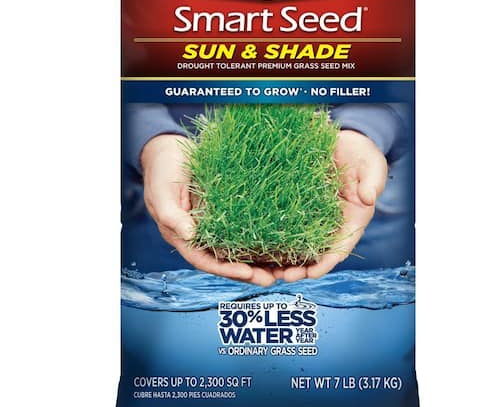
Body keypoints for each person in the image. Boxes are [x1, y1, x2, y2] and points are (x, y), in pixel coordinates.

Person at [123, 103, 412, 286]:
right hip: (176, 203)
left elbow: (394, 69)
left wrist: (364, 127)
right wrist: (152, 140)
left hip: (353, 208)